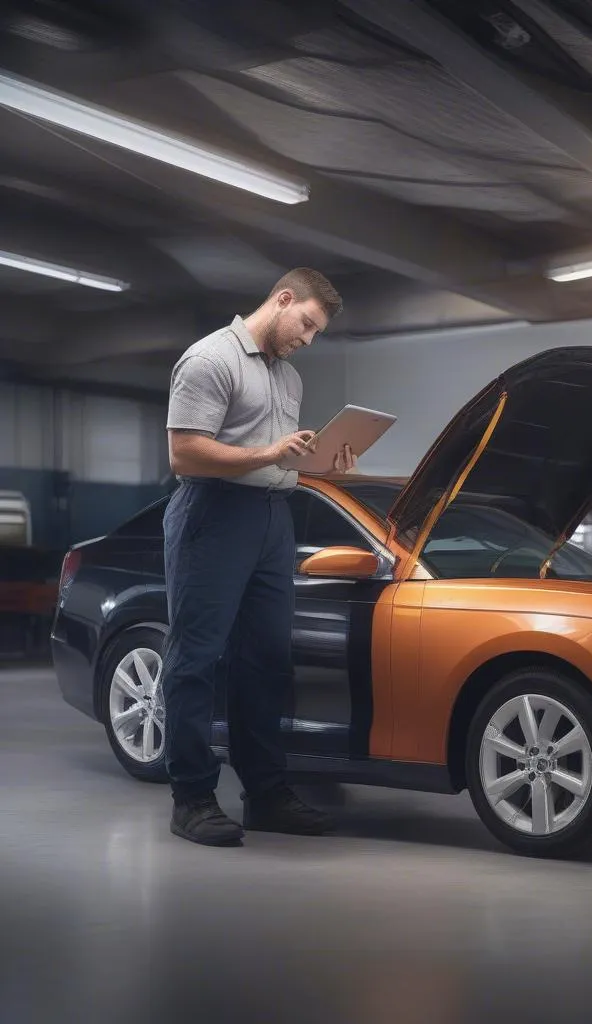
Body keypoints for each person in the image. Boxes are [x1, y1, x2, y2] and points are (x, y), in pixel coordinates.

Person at [161, 267, 355, 847]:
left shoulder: (288, 379)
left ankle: (265, 794)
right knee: (195, 660)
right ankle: (192, 798)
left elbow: (277, 461)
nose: (308, 338)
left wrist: (320, 464)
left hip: (273, 518)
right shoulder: (210, 360)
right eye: (307, 324)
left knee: (267, 661)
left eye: (317, 331)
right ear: (283, 299)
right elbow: (184, 453)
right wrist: (271, 450)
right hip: (212, 514)